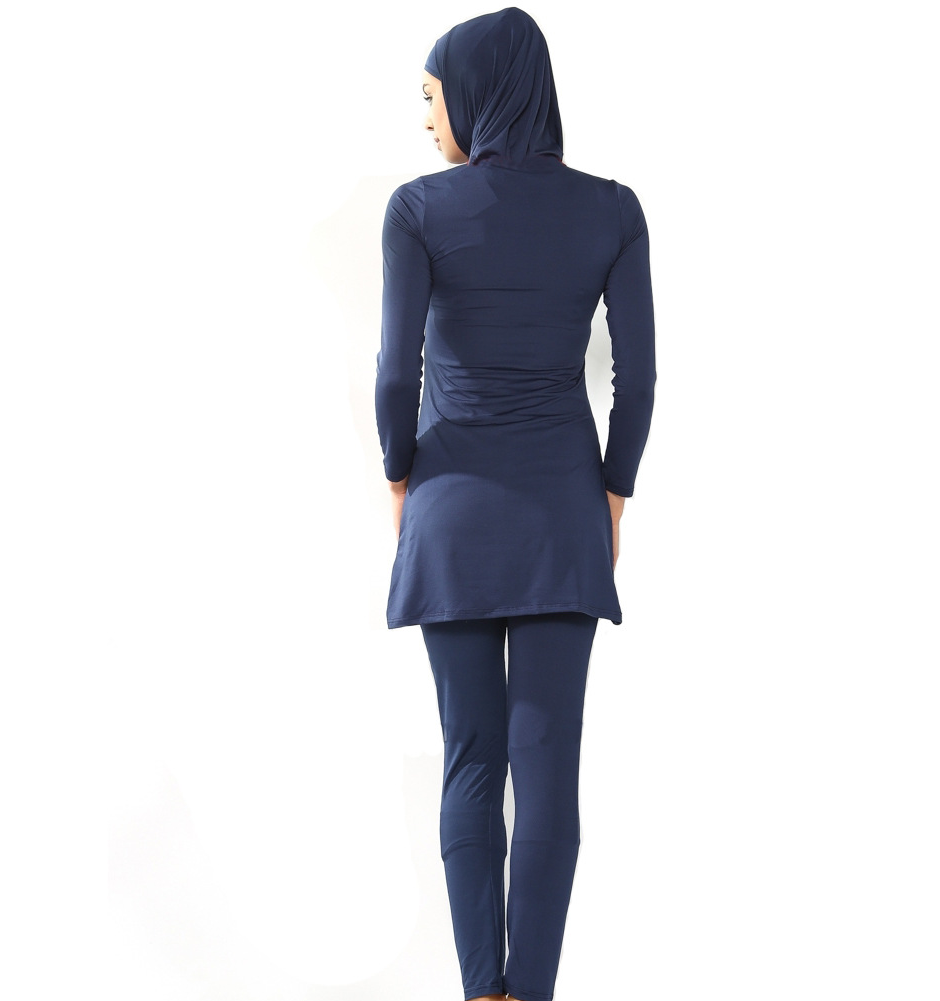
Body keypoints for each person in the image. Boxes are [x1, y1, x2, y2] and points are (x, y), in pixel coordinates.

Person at [374, 8, 656, 1001]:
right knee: (546, 760)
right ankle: (527, 992)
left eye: (431, 97)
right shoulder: (611, 211)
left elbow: (394, 371)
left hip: (449, 511)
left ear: (476, 92)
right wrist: (612, 490)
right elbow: (637, 379)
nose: (425, 119)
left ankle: (478, 990)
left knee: (469, 757)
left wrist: (398, 474)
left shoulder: (417, 210)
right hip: (561, 513)